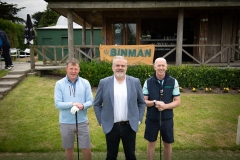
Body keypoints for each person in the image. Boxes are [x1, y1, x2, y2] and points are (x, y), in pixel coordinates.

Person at [94, 56, 146, 160]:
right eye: (117, 65)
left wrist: (139, 120)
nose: (120, 68)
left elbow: (142, 102)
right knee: (111, 155)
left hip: (129, 126)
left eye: (123, 65)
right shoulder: (104, 82)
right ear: (113, 67)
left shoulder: (135, 82)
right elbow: (97, 104)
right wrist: (102, 121)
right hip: (111, 126)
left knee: (130, 155)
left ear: (126, 67)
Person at [54, 58, 93, 160]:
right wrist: (72, 104)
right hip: (65, 122)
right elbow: (58, 104)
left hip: (82, 121)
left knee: (86, 149)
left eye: (75, 69)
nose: (73, 71)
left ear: (79, 69)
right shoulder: (59, 84)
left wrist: (83, 106)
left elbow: (90, 101)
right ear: (66, 69)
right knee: (69, 148)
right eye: (71, 68)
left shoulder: (85, 83)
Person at [142, 57, 181, 160]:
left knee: (167, 144)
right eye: (159, 65)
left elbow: (177, 101)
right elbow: (143, 101)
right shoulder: (148, 82)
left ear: (166, 67)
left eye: (163, 65)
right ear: (154, 67)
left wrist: (165, 106)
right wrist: (155, 102)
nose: (161, 68)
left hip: (167, 119)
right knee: (151, 143)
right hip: (152, 118)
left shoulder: (173, 81)